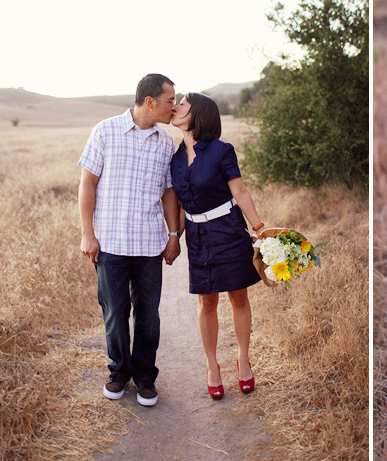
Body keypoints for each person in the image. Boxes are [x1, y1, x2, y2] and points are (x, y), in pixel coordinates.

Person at [78, 74, 182, 407]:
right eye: (171, 100)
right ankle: (119, 372)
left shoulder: (166, 143)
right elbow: (87, 185)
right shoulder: (105, 131)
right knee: (115, 312)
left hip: (150, 244)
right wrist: (87, 234)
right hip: (109, 243)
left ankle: (146, 377)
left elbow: (169, 193)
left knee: (148, 315)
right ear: (150, 101)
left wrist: (173, 234)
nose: (175, 107)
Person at [169, 92, 265, 399]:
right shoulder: (173, 158)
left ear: (198, 114)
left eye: (182, 103)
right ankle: (212, 366)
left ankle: (244, 359)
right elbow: (180, 204)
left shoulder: (223, 151)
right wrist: (173, 239)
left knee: (238, 296)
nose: (176, 107)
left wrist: (260, 229)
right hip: (198, 236)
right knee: (206, 302)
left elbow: (240, 189)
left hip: (228, 229)